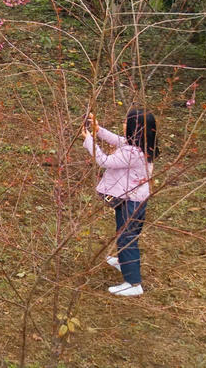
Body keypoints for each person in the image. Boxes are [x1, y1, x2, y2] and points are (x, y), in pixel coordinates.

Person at [83, 107, 157, 297]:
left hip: (131, 202)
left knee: (126, 239)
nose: (123, 124)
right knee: (126, 234)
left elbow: (104, 161)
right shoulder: (141, 146)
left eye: (127, 122)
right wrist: (98, 130)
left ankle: (133, 283)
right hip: (135, 200)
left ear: (135, 128)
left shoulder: (133, 153)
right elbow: (117, 140)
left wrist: (88, 139)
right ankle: (125, 262)